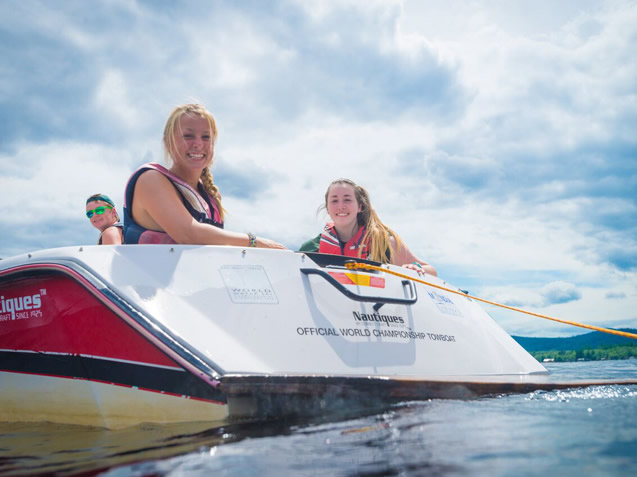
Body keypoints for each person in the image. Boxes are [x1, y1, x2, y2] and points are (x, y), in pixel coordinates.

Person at [123, 103, 285, 249]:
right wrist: (254, 242)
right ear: (168, 142)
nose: (198, 144)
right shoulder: (150, 180)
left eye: (206, 137)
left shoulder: (212, 196)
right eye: (188, 136)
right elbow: (188, 234)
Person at [299, 178, 437, 276]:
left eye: (347, 199)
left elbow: (431, 271)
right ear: (328, 209)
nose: (341, 206)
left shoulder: (384, 243)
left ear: (360, 207)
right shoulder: (310, 249)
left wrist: (415, 268)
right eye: (334, 200)